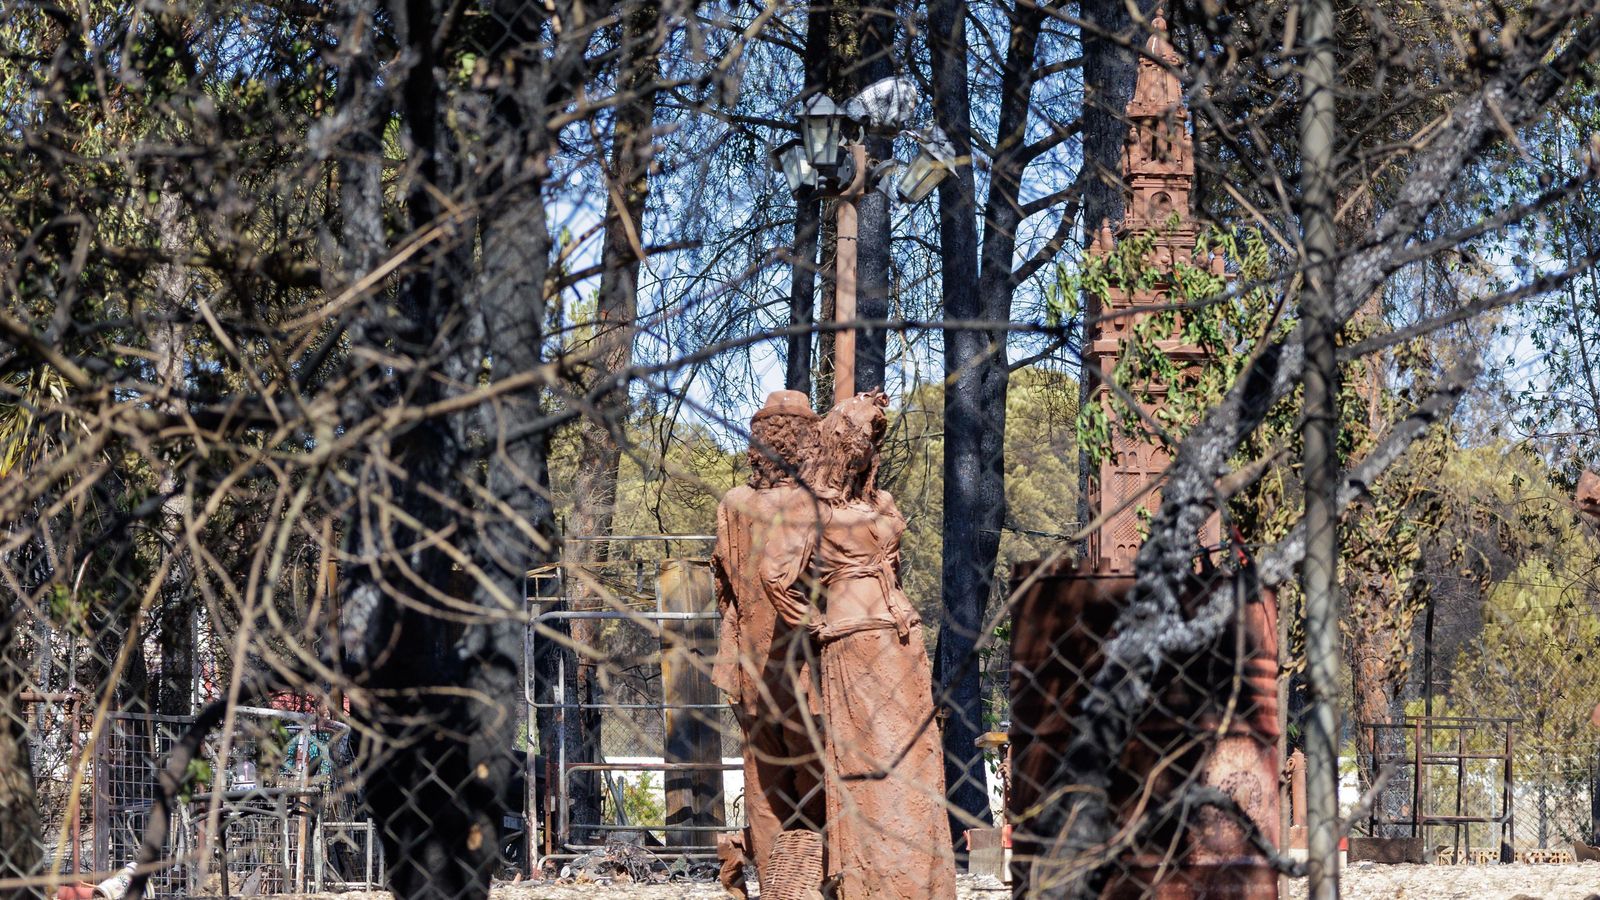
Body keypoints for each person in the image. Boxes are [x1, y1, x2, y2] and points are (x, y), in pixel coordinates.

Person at [764, 391, 956, 898]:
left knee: (914, 761)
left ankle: (919, 882)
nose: (869, 450)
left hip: (902, 639)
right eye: (862, 439)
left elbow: (892, 563)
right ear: (839, 444)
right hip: (854, 643)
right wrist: (815, 623)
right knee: (869, 761)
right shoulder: (808, 507)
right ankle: (873, 880)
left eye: (875, 441)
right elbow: (775, 576)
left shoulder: (879, 503)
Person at [711, 389, 828, 887]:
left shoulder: (734, 504)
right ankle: (816, 876)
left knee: (762, 773)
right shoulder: (818, 503)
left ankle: (776, 881)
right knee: (815, 767)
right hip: (806, 663)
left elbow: (723, 586)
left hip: (748, 663)